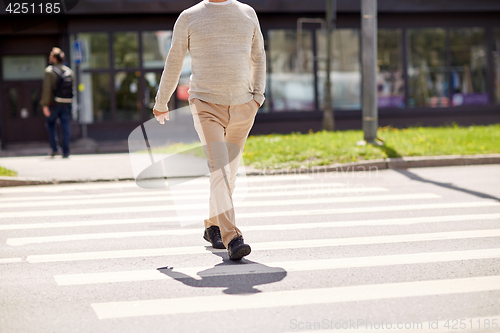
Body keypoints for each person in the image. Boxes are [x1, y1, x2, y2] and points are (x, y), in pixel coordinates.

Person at [153, 0, 266, 260]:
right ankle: (233, 237)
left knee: (230, 176)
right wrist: (161, 102)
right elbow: (174, 60)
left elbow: (258, 56)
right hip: (205, 106)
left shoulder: (247, 13)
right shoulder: (189, 16)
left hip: (243, 107)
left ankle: (213, 225)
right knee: (220, 170)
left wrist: (257, 97)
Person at [40, 47, 75, 158]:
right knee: (65, 126)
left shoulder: (49, 71)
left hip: (53, 104)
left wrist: (45, 104)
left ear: (54, 58)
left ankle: (55, 149)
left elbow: (47, 89)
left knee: (51, 125)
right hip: (66, 103)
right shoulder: (69, 71)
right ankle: (66, 151)